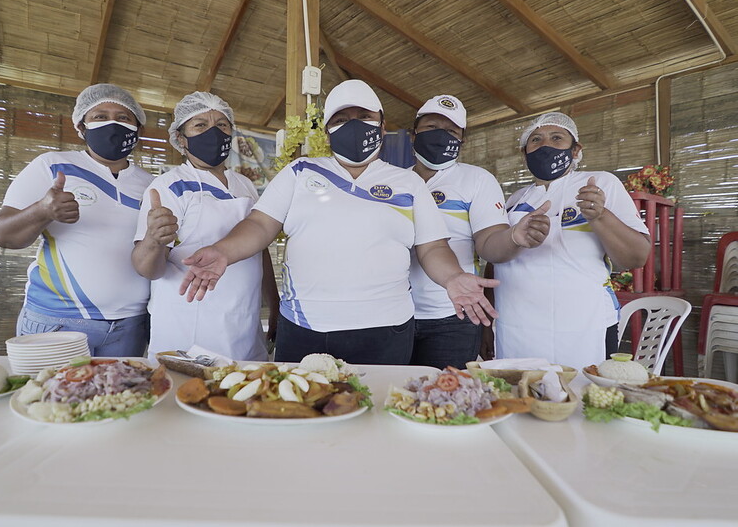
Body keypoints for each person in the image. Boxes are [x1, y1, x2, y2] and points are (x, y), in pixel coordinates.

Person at [177, 79, 500, 365]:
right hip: (304, 325)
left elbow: (432, 248)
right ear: (327, 130)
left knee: (375, 409)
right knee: (298, 408)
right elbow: (261, 225)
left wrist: (453, 278)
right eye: (341, 120)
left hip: (385, 328)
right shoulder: (300, 172)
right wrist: (224, 251)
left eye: (364, 117)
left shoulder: (408, 182)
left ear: (382, 127)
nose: (354, 126)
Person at [0, 84, 154, 357]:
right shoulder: (52, 165)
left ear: (138, 129)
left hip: (129, 326)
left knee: (126, 388)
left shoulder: (150, 184)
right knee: (47, 388)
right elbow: (3, 235)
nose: (113, 123)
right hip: (58, 322)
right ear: (81, 127)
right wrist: (43, 211)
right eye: (100, 116)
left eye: (123, 117)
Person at [490, 112, 650, 370]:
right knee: (519, 390)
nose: (545, 145)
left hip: (584, 325)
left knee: (583, 389)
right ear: (524, 154)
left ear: (575, 150)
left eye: (557, 138)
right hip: (517, 325)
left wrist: (600, 216)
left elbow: (636, 257)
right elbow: (494, 260)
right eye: (536, 140)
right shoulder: (515, 200)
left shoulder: (600, 184)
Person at [132, 91, 278, 362]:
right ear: (181, 138)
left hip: (244, 326)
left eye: (222, 125)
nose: (214, 132)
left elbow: (259, 248)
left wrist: (275, 304)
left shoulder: (245, 185)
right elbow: (147, 269)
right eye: (200, 125)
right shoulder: (169, 186)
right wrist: (153, 240)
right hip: (189, 328)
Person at [408, 95, 551, 369]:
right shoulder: (397, 180)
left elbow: (489, 241)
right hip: (395, 313)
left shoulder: (476, 179)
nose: (440, 135)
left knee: (446, 391)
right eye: (431, 127)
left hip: (454, 314)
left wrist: (513, 238)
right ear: (413, 135)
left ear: (462, 140)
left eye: (451, 131)